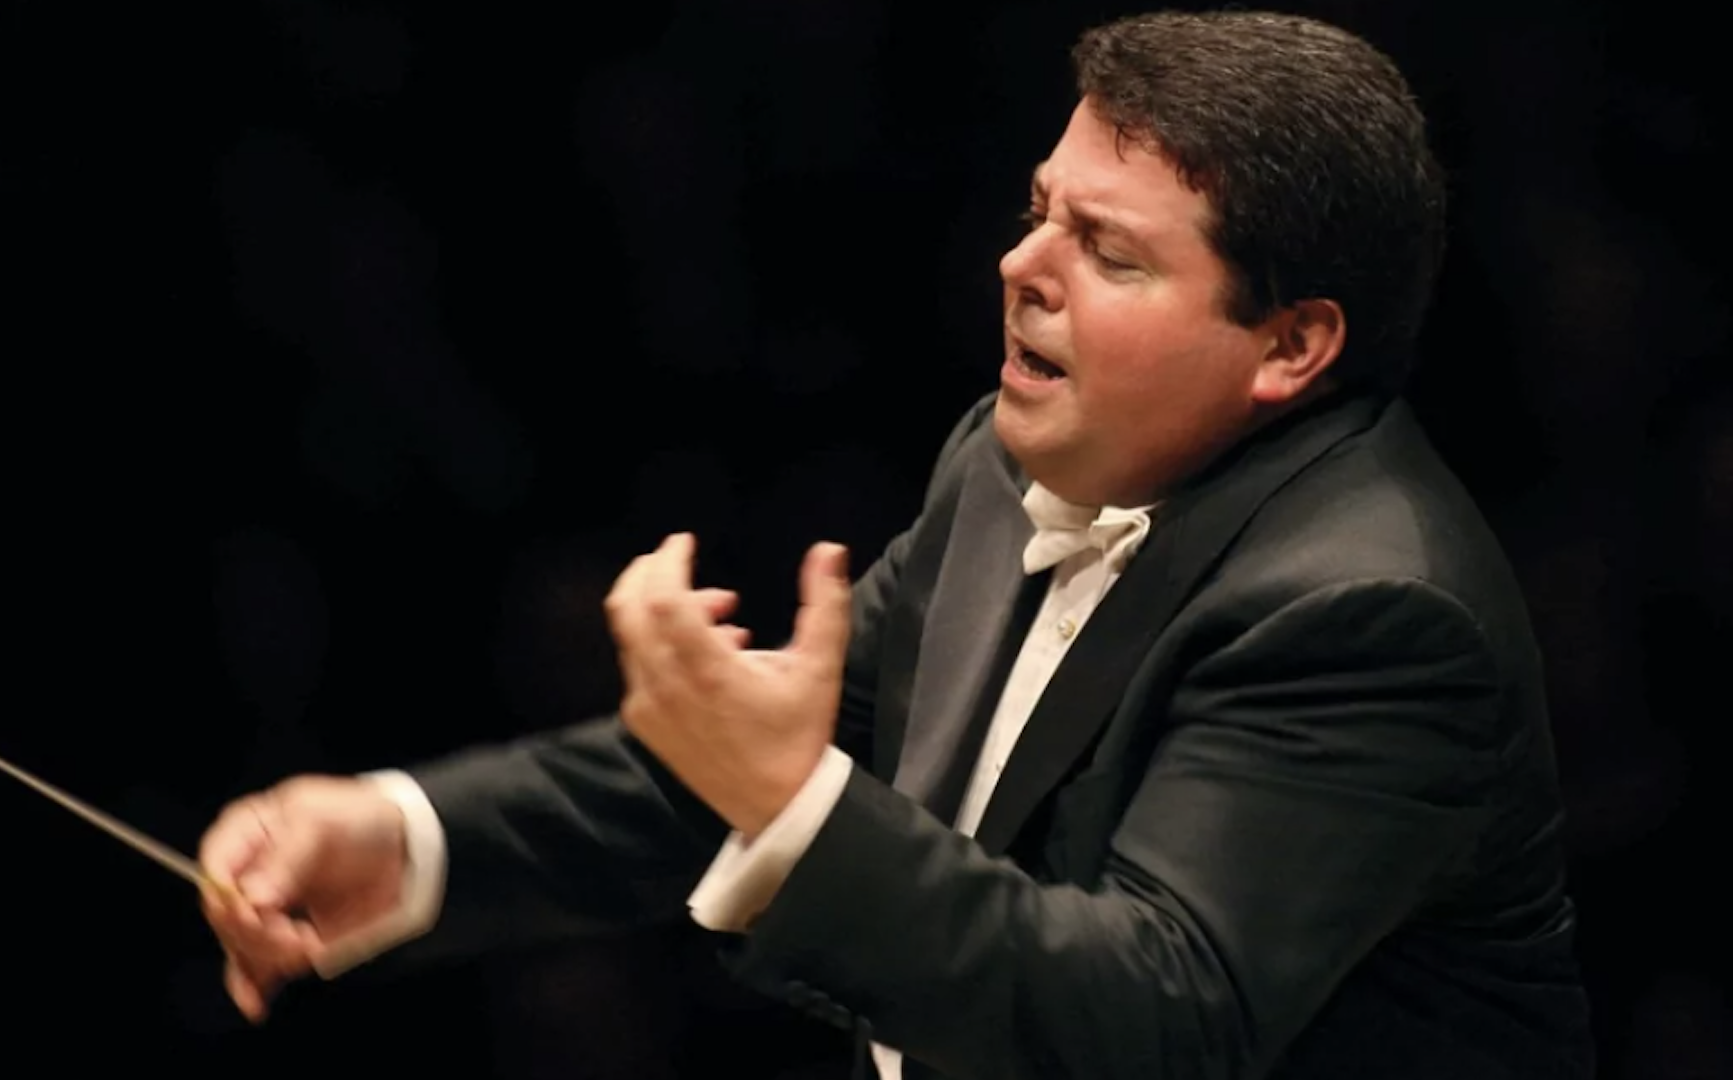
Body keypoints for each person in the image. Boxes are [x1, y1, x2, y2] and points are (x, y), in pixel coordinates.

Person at [198, 10, 1594, 1078]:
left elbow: (1150, 1023)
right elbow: (753, 769)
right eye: (1041, 213)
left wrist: (792, 800)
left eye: (1109, 253)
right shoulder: (1005, 462)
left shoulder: (1368, 614)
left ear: (1291, 345)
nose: (1022, 265)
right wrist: (406, 834)